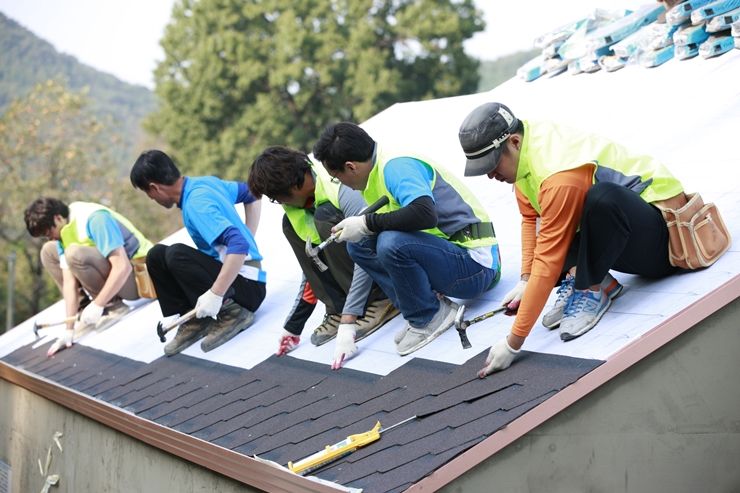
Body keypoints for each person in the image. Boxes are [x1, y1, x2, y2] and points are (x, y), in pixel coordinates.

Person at [458, 102, 686, 377]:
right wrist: (525, 280)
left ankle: (589, 287)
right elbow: (532, 219)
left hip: (664, 238)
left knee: (599, 200)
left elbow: (549, 259)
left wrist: (513, 343)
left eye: (493, 163)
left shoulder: (557, 172)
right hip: (623, 239)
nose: (491, 174)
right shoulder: (525, 155)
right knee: (556, 221)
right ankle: (590, 278)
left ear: (514, 142)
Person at [313, 122, 501, 356]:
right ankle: (419, 311)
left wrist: (366, 223)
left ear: (350, 167)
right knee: (359, 244)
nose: (340, 183)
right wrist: (363, 226)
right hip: (455, 258)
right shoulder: (375, 170)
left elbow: (424, 214)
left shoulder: (396, 166)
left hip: (478, 266)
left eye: (336, 176)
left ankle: (428, 316)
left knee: (390, 242)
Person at [248, 146, 400, 368]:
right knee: (289, 225)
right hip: (355, 280)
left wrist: (350, 317)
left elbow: (366, 248)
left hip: (385, 263)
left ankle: (379, 300)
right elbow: (313, 263)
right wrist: (294, 324)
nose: (280, 203)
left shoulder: (339, 186)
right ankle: (337, 307)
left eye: (278, 198)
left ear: (295, 185)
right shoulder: (298, 206)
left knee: (324, 216)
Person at [130, 150, 266, 356]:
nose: (151, 198)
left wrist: (216, 293)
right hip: (239, 281)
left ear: (155, 187)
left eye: (148, 193)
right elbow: (251, 192)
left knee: (176, 254)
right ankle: (194, 319)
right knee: (156, 255)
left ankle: (231, 312)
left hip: (247, 288)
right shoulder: (203, 183)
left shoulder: (196, 204)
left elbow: (238, 243)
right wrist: (249, 237)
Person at [24, 197, 154, 357]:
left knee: (73, 253)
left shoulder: (94, 218)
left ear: (57, 218)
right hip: (119, 280)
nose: (50, 238)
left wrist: (98, 304)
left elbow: (123, 266)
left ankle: (113, 307)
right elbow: (69, 283)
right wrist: (69, 329)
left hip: (140, 277)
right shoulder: (64, 231)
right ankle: (85, 314)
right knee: (47, 251)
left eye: (48, 233)